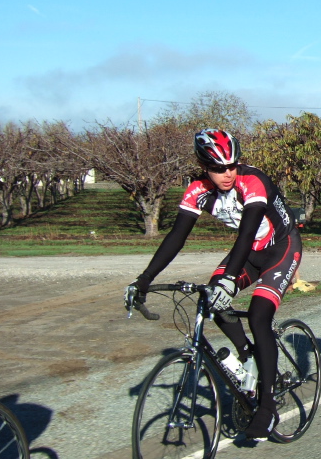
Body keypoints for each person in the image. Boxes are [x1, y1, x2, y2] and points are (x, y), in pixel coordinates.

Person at [125, 128, 302, 439]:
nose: (228, 174)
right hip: (247, 254)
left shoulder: (253, 181)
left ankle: (267, 407)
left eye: (232, 165)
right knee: (208, 297)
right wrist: (144, 278)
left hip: (280, 250)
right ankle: (248, 354)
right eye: (219, 168)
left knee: (260, 316)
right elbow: (176, 238)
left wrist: (230, 280)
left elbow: (247, 234)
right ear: (204, 166)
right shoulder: (197, 191)